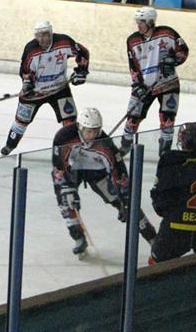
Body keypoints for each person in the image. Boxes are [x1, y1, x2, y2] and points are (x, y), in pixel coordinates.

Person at [52, 108, 157, 258]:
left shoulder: (105, 144)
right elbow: (58, 167)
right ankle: (78, 237)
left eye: (96, 131)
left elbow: (119, 173)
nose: (92, 135)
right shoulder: (63, 137)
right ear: (80, 127)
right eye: (88, 131)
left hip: (97, 173)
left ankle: (152, 237)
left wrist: (124, 200)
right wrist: (65, 187)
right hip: (72, 171)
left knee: (129, 206)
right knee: (66, 201)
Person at [0, 20, 89, 156]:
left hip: (59, 89)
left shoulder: (63, 42)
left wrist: (81, 71)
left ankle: (72, 149)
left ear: (51, 33)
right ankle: (10, 145)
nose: (41, 39)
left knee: (70, 120)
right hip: (36, 92)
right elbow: (25, 69)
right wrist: (27, 83)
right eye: (38, 35)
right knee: (21, 121)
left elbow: (82, 52)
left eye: (45, 35)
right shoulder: (31, 49)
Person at [150, 122, 196, 263]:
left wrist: (168, 213)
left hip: (178, 225)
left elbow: (160, 196)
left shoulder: (170, 158)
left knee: (156, 263)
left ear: (182, 140)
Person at [120, 7, 189, 157]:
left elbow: (183, 51)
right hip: (145, 86)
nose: (138, 25)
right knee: (132, 118)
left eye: (142, 22)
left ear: (151, 22)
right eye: (137, 21)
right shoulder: (132, 40)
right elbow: (133, 66)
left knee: (168, 120)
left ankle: (165, 153)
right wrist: (137, 85)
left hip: (168, 84)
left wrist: (173, 61)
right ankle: (124, 146)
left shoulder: (167, 33)